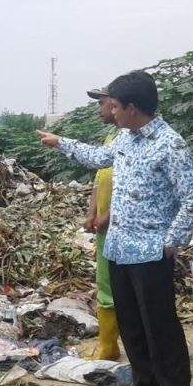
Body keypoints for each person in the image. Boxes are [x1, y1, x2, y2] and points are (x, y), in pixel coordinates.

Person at [38, 71, 193, 386]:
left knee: (161, 329)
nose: (110, 112)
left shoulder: (169, 144)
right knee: (131, 327)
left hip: (150, 253)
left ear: (131, 108)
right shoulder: (125, 139)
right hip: (118, 249)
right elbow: (99, 156)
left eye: (114, 106)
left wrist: (172, 241)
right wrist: (61, 143)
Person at [83, 86, 121, 361]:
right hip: (104, 228)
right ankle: (108, 345)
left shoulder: (132, 140)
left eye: (102, 103)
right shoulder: (111, 138)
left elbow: (134, 189)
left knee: (126, 288)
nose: (100, 109)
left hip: (123, 227)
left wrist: (109, 215)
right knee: (105, 283)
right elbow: (100, 178)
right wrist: (92, 211)